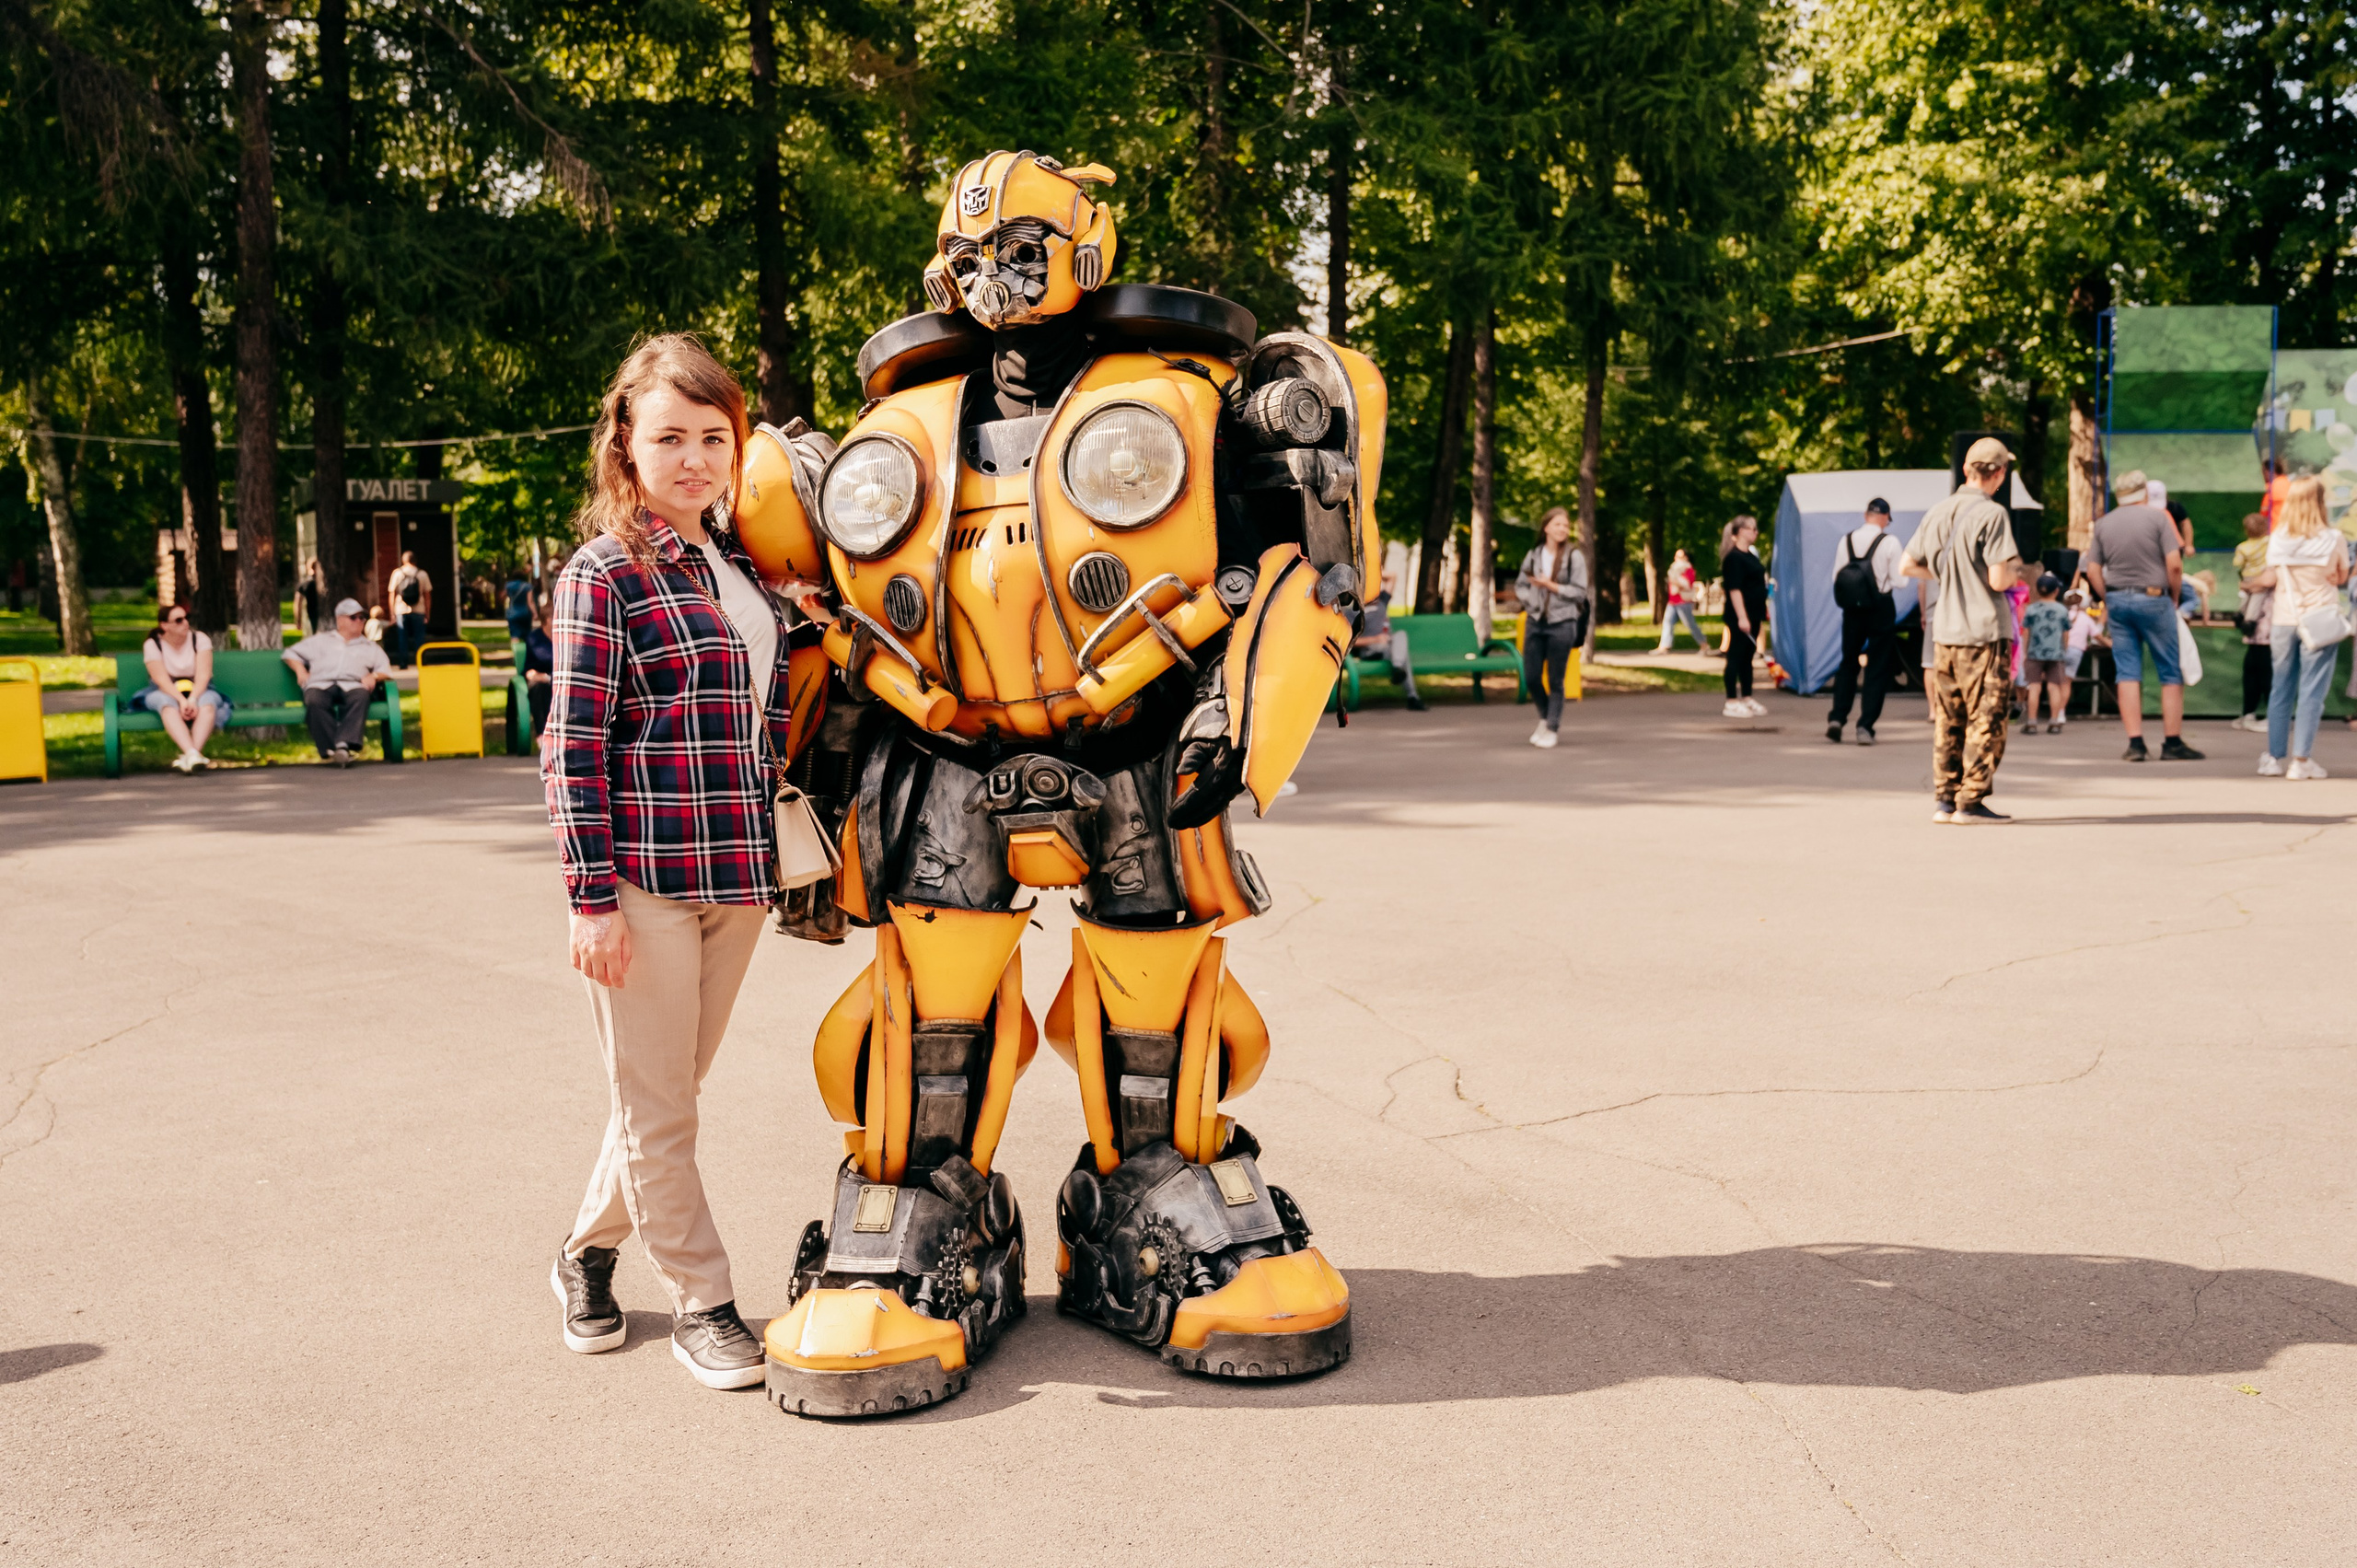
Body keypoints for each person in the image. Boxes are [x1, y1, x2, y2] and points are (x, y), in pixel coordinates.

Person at [545, 333, 793, 1392]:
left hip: (737, 875)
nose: (694, 459)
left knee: (664, 1094)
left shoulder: (744, 568)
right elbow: (572, 743)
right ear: (626, 445)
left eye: (713, 437)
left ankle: (583, 1250)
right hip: (643, 879)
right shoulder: (604, 573)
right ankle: (703, 1299)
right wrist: (590, 898)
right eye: (670, 438)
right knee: (661, 1108)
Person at [1902, 436, 2021, 823]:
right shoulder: (1993, 514)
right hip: (1984, 630)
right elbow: (1999, 578)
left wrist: (1946, 574)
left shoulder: (1938, 511)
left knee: (1948, 717)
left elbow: (1907, 565)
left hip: (1945, 631)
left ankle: (1944, 798)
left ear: (1967, 469)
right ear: (1999, 473)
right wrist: (2018, 571)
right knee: (1987, 717)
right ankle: (1971, 800)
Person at [2084, 469, 2203, 762]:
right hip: (2154, 599)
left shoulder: (2103, 524)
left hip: (2117, 600)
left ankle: (2135, 744)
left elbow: (2092, 570)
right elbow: (2174, 564)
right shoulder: (2159, 518)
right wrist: (2174, 596)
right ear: (2145, 493)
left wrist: (2108, 597)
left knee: (2127, 672)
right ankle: (2172, 742)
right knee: (2170, 672)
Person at [2254, 476, 2349, 780]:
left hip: (2284, 620)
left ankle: (2273, 757)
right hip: (2320, 621)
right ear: (2320, 502)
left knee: (2280, 688)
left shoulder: (2278, 538)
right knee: (2311, 692)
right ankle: (2300, 760)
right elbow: (2341, 576)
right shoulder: (2333, 538)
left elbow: (2272, 577)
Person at [1825, 496, 1902, 745]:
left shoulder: (1846, 540)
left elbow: (1837, 577)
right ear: (1885, 518)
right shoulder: (1890, 542)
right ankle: (1865, 726)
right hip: (1881, 607)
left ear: (1865, 515)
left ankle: (1837, 718)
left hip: (1852, 609)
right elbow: (1900, 581)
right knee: (1877, 666)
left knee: (1848, 662)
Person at [282, 598, 392, 766]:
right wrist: (300, 670)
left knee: (361, 695)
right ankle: (339, 747)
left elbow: (386, 670)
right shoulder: (321, 640)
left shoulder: (370, 647)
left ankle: (341, 745)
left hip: (353, 684)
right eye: (353, 617)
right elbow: (290, 654)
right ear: (340, 620)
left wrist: (374, 676)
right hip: (321, 683)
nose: (359, 621)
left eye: (362, 617)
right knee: (314, 699)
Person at [1515, 506, 1590, 747]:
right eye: (1558, 524)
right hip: (1535, 622)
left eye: (1566, 525)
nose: (1562, 529)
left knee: (1556, 680)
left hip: (1562, 623)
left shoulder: (1573, 556)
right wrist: (1531, 601)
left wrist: (1552, 586)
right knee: (1531, 677)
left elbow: (1580, 592)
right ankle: (1546, 718)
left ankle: (1552, 728)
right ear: (1546, 527)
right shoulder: (1534, 555)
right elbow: (1521, 585)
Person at [134, 603, 229, 772]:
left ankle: (191, 756)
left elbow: (203, 676)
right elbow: (161, 680)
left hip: (198, 688)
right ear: (164, 625)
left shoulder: (199, 639)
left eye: (187, 618)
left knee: (209, 703)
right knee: (166, 704)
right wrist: (181, 700)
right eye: (178, 620)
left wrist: (192, 699)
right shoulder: (153, 644)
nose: (185, 623)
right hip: (164, 689)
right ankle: (193, 755)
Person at [1349, 570, 1422, 710]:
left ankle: (1397, 667)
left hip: (1388, 648)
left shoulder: (1382, 601)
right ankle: (1412, 696)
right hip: (1370, 651)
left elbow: (1392, 576)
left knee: (1400, 635)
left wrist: (1370, 569)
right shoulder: (1353, 611)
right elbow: (1349, 642)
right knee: (1402, 656)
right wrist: (1375, 639)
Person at [1718, 516, 1768, 717]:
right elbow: (1735, 589)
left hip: (1755, 612)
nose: (1755, 532)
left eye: (1755, 529)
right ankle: (1731, 700)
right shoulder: (1733, 558)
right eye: (1751, 529)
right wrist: (1742, 616)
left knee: (1748, 657)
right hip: (1740, 614)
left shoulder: (1751, 556)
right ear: (1738, 532)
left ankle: (1747, 696)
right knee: (1736, 656)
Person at [2020, 574, 2072, 734]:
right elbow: (2066, 632)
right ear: (2056, 591)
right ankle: (2054, 721)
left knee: (2034, 687)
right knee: (2054, 687)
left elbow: (2026, 631)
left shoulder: (2031, 609)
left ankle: (2032, 722)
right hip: (2056, 653)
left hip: (2035, 653)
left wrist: (2025, 651)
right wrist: (2064, 649)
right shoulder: (2062, 610)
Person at [1655, 548, 1707, 652]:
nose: (1676, 558)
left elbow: (1688, 584)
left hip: (1684, 602)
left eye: (1679, 556)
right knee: (1667, 622)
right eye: (1676, 556)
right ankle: (1665, 645)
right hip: (1673, 601)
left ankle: (1704, 644)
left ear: (1686, 558)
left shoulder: (1688, 569)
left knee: (1690, 624)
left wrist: (1675, 581)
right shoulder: (1673, 570)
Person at [387, 550, 432, 668]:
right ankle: (421, 662)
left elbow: (392, 594)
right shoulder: (422, 574)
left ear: (403, 560)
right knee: (419, 637)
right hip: (419, 609)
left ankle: (403, 662)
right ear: (415, 560)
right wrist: (427, 613)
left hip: (401, 609)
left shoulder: (397, 573)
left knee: (402, 637)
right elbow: (427, 596)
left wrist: (392, 613)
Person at [519, 593, 555, 739]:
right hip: (540, 678)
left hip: (557, 678)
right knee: (538, 688)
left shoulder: (564, 638)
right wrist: (546, 677)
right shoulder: (535, 639)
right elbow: (541, 662)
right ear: (548, 620)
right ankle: (542, 734)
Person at [503, 570, 535, 645]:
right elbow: (530, 602)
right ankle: (528, 650)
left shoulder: (508, 585)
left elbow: (503, 597)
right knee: (527, 635)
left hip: (512, 613)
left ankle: (515, 651)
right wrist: (535, 613)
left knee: (514, 635)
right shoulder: (528, 586)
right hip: (525, 613)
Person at [296, 556, 326, 634]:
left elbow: (298, 603)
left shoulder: (304, 584)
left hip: (312, 615)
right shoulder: (325, 583)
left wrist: (298, 620)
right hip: (324, 615)